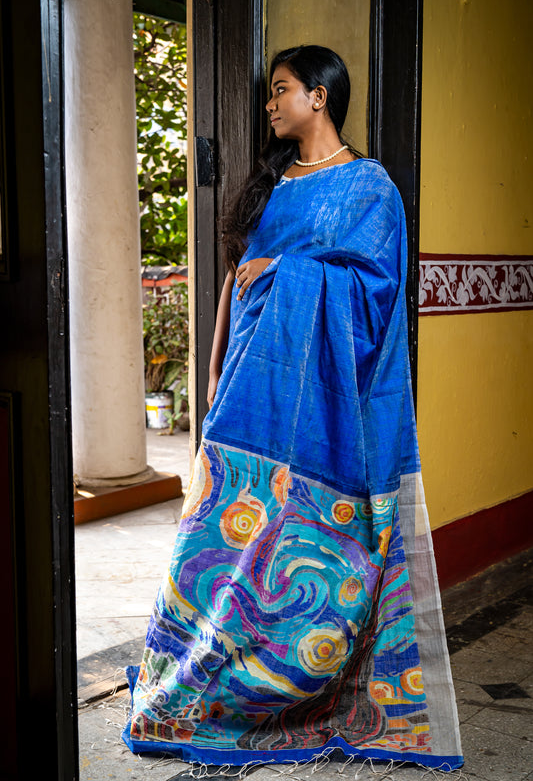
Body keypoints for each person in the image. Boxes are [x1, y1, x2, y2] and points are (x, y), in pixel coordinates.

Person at [123, 45, 463, 774]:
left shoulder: (368, 189)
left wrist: (289, 271)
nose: (270, 105)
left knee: (304, 554)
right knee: (213, 545)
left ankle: (294, 687)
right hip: (247, 393)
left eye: (280, 92)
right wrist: (212, 370)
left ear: (319, 96)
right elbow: (235, 280)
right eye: (269, 93)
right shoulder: (270, 184)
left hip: (323, 412)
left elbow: (375, 294)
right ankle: (199, 681)